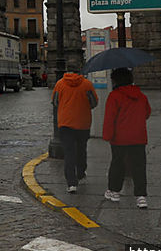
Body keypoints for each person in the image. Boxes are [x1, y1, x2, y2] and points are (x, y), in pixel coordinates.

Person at [102, 68, 152, 209]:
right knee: (139, 166)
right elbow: (147, 113)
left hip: (120, 137)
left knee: (117, 163)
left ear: (116, 80)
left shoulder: (114, 96)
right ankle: (141, 197)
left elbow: (109, 118)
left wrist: (107, 135)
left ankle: (114, 191)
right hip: (138, 137)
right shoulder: (141, 96)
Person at [51, 71, 98, 193]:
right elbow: (94, 103)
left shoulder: (60, 84)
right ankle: (81, 172)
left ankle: (71, 183)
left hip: (65, 124)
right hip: (83, 123)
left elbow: (55, 102)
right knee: (81, 149)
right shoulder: (87, 84)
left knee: (69, 152)